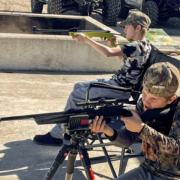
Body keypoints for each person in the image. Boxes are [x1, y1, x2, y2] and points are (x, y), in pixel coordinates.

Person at [33, 11, 152, 146]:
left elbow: (108, 54)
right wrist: (113, 44)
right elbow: (119, 56)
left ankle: (56, 135)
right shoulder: (145, 45)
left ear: (138, 28)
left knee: (76, 96)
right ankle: (71, 127)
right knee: (78, 86)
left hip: (119, 88)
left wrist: (87, 39)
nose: (124, 29)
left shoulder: (135, 45)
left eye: (127, 26)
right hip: (118, 84)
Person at [90, 62, 180, 180]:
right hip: (148, 169)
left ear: (171, 99)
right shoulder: (143, 103)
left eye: (154, 98)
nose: (146, 101)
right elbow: (128, 139)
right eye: (144, 93)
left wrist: (142, 129)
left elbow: (176, 149)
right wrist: (107, 130)